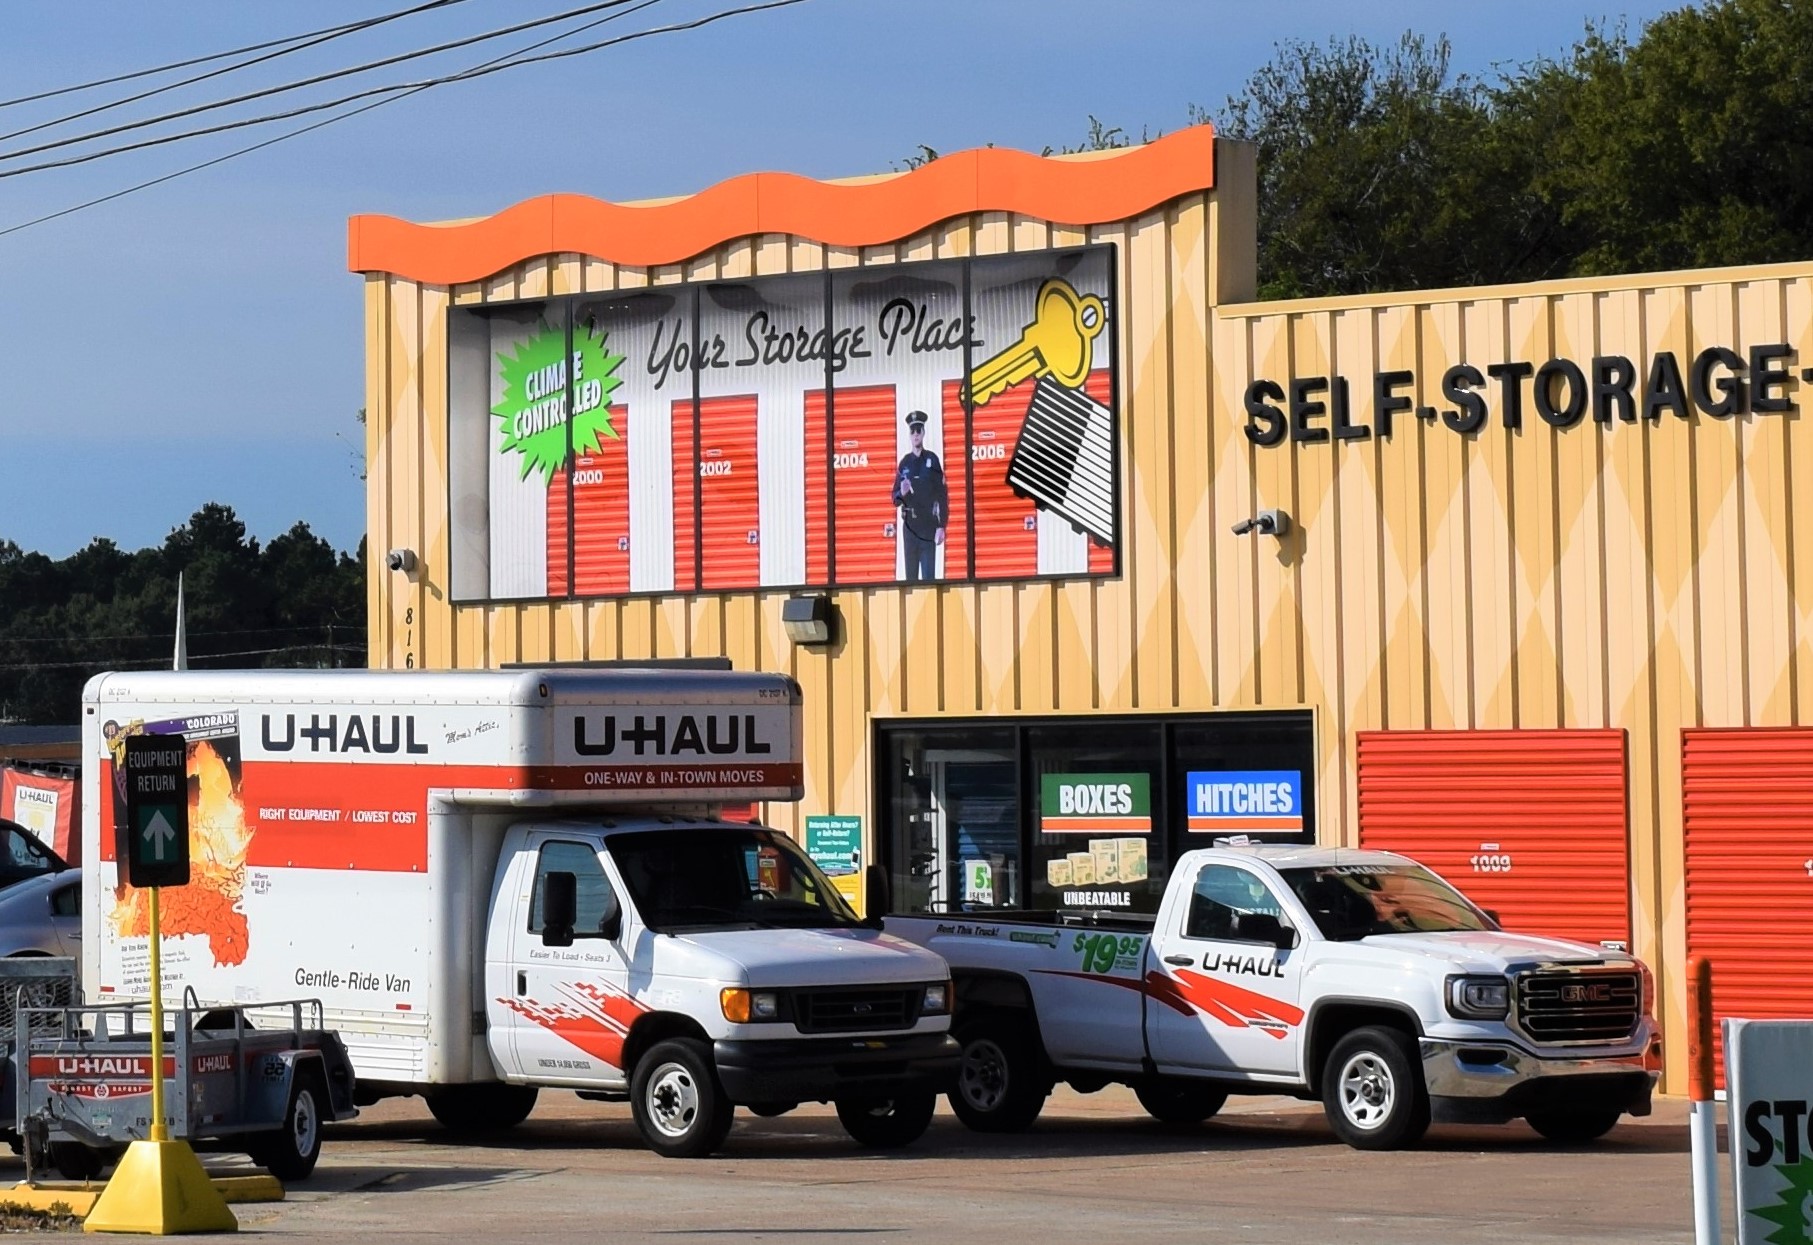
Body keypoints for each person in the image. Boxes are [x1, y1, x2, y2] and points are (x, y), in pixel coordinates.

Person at [892, 410, 947, 583]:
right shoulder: (905, 463)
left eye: (918, 430)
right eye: (912, 431)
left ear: (923, 433)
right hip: (910, 527)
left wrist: (941, 525)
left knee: (929, 580)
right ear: (909, 435)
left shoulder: (932, 460)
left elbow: (942, 495)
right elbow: (895, 499)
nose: (915, 434)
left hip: (927, 526)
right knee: (911, 581)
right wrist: (903, 492)